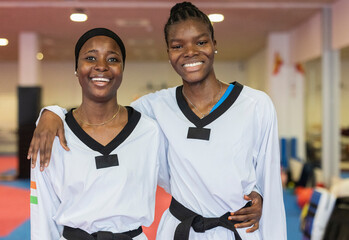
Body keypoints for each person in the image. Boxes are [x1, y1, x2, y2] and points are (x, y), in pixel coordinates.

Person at [28, 2, 286, 239]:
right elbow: (102, 111)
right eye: (178, 46)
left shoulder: (255, 105)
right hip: (182, 230)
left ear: (214, 43)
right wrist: (50, 112)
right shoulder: (153, 109)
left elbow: (271, 184)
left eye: (200, 42)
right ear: (168, 52)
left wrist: (262, 196)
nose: (190, 52)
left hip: (240, 229)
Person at [30, 28, 169, 240]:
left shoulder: (148, 131)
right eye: (90, 57)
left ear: (122, 69)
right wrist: (50, 113)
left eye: (112, 59)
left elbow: (185, 181)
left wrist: (234, 204)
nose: (101, 66)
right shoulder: (53, 134)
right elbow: (42, 211)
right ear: (77, 68)